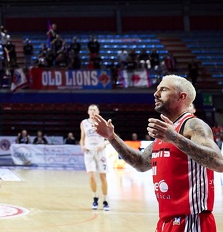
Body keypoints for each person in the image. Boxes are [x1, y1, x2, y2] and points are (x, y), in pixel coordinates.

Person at [93, 75, 223, 232]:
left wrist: (175, 138)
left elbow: (219, 163)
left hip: (191, 220)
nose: (156, 94)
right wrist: (112, 138)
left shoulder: (193, 125)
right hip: (166, 220)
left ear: (182, 96)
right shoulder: (166, 131)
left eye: (164, 89)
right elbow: (140, 163)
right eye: (157, 89)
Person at [80, 104, 109, 210]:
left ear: (98, 112)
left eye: (94, 109)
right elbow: (82, 138)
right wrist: (82, 146)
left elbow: (110, 139)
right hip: (89, 152)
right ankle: (95, 198)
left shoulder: (103, 123)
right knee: (91, 176)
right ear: (88, 111)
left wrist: (103, 144)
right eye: (90, 109)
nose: (92, 111)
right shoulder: (84, 123)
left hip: (100, 152)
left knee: (103, 177)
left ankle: (105, 200)